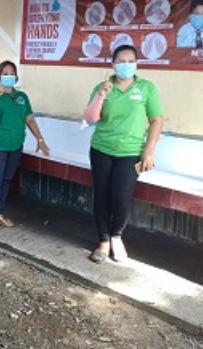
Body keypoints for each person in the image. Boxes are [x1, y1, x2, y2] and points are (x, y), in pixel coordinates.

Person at [83, 44, 163, 264]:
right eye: (121, 61)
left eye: (131, 61)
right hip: (101, 149)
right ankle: (103, 240)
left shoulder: (146, 88)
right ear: (112, 64)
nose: (126, 65)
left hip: (130, 152)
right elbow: (90, 118)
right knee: (102, 195)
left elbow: (156, 119)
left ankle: (117, 236)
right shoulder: (103, 87)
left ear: (136, 64)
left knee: (121, 197)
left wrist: (149, 150)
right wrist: (100, 96)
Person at [0, 60, 50, 230]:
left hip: (16, 144)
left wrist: (40, 139)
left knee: (6, 179)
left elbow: (29, 119)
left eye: (11, 73)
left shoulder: (21, 97)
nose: (9, 76)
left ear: (16, 76)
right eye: (5, 73)